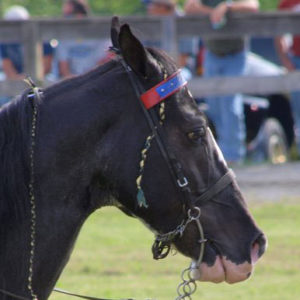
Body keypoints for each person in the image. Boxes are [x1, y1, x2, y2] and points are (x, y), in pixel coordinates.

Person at [184, 0, 259, 163]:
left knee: (230, 103)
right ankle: (220, 152)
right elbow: (189, 7)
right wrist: (212, 11)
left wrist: (227, 7)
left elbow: (253, 6)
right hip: (212, 54)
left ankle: (233, 156)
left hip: (236, 54)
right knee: (215, 106)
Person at [142, 0, 198, 80]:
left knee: (181, 77)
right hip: (155, 69)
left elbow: (182, 60)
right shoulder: (151, 24)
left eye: (151, 5)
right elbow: (145, 54)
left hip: (181, 69)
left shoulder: (184, 23)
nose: (148, 8)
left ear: (162, 7)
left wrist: (163, 73)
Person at [56, 0, 112, 78]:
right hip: (72, 81)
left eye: (69, 15)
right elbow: (64, 69)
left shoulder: (100, 34)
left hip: (97, 78)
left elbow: (107, 59)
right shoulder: (63, 37)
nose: (65, 18)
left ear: (80, 15)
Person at [0, 5, 54, 80]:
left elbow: (47, 67)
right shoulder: (5, 42)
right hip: (16, 78)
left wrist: (30, 80)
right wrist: (21, 79)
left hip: (41, 77)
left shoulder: (41, 38)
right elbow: (8, 68)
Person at [275, 0, 300, 157]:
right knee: (298, 109)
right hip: (296, 58)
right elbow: (278, 33)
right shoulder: (287, 3)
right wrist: (285, 59)